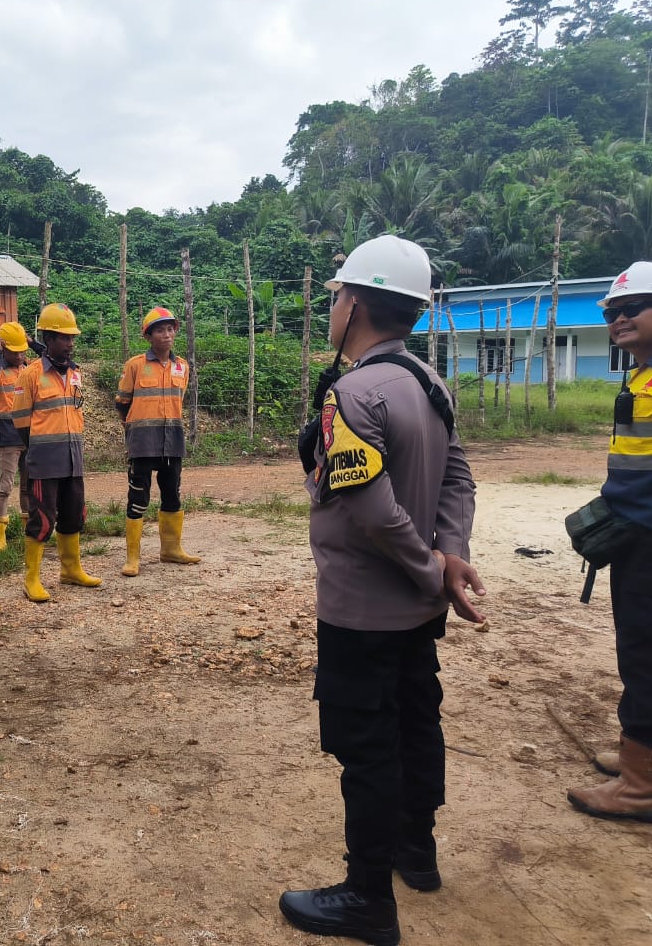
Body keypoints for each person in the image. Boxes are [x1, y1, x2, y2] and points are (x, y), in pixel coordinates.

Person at [278, 236, 484, 946]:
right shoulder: (430, 383)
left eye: (337, 296)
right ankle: (414, 852)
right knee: (415, 722)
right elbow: (458, 479)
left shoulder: (353, 394)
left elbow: (369, 512)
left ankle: (367, 897)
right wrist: (451, 556)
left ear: (356, 303)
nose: (333, 307)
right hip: (416, 614)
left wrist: (432, 567)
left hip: (361, 611)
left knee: (366, 747)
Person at [567, 260, 652, 824]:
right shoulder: (645, 371)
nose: (618, 319)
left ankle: (644, 786)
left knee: (650, 655)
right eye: (613, 311)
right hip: (646, 536)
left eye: (631, 308)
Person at [11, 303, 102, 601]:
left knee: (74, 514)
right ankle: (32, 579)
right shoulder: (31, 375)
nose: (71, 343)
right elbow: (21, 422)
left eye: (72, 337)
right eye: (64, 337)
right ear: (48, 339)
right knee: (42, 519)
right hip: (44, 462)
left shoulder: (75, 374)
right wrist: (41, 448)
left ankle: (70, 569)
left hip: (73, 459)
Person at [115, 306, 201, 577]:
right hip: (142, 442)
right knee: (138, 497)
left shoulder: (182, 366)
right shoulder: (135, 365)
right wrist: (133, 427)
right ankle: (132, 558)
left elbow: (179, 399)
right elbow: (122, 403)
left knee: (172, 494)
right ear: (148, 336)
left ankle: (171, 549)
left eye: (170, 329)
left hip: (172, 440)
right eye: (160, 330)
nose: (167, 334)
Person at [0, 322, 33, 551]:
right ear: (4, 350)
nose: (20, 355)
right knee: (6, 486)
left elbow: (48, 358)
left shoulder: (28, 368)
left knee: (28, 484)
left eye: (23, 351)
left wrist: (32, 343)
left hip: (29, 435)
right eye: (15, 351)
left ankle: (28, 527)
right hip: (8, 437)